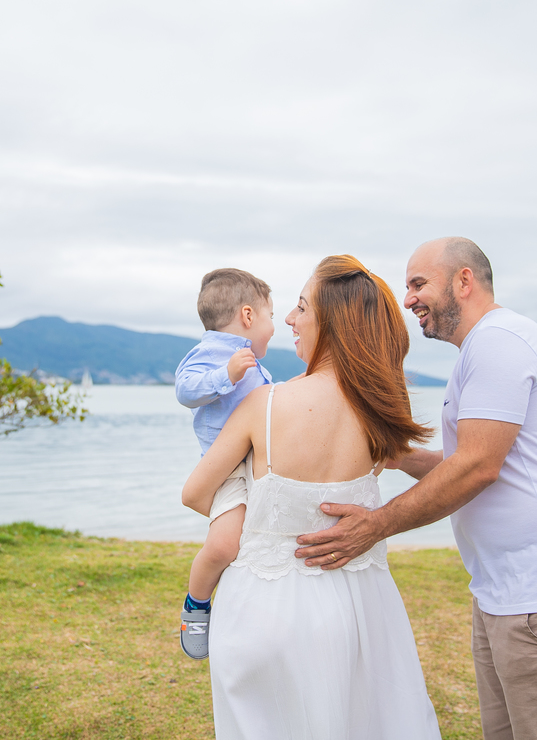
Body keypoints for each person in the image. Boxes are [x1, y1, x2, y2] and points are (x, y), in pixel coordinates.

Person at [296, 237, 537, 740]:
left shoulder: (500, 342)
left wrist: (375, 526)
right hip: (505, 591)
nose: (408, 300)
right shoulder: (483, 349)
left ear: (464, 281)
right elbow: (469, 462)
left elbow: (477, 467)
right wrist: (395, 454)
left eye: (418, 284)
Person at [182, 255, 442, 740]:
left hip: (264, 609)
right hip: (362, 611)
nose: (288, 319)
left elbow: (195, 492)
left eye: (301, 307)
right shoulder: (378, 413)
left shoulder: (265, 404)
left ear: (332, 322)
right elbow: (436, 471)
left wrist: (245, 489)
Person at [174, 268, 276, 659]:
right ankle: (196, 605)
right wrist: (225, 375)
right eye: (269, 316)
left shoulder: (253, 360)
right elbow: (185, 391)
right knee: (222, 545)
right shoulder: (211, 354)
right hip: (228, 466)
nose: (273, 326)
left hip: (259, 462)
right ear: (248, 316)